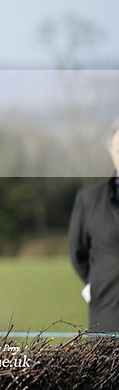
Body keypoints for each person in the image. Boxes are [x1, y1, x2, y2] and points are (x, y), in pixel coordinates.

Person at [69, 123, 119, 332]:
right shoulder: (89, 199)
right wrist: (97, 284)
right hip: (107, 311)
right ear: (112, 153)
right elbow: (77, 253)